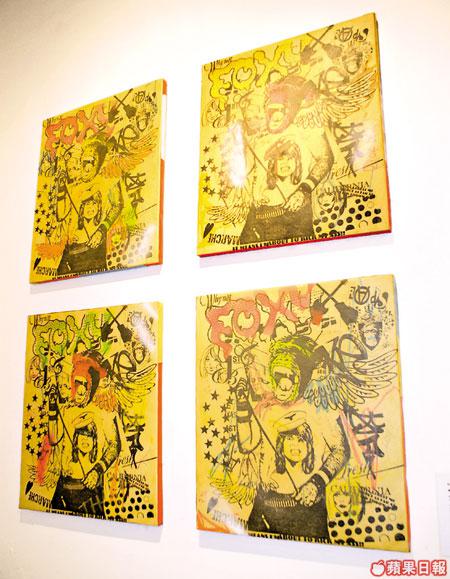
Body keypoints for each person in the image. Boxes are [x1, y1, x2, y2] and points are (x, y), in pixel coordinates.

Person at [47, 351, 121, 517]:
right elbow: (53, 439)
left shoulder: (103, 410)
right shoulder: (67, 409)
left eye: (84, 384)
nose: (80, 390)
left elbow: (115, 445)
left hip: (89, 488)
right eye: (77, 383)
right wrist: (52, 410)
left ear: (92, 386)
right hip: (63, 486)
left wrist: (97, 470)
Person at [56, 136, 123, 276]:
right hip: (69, 251)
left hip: (92, 250)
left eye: (90, 162)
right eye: (82, 162)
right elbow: (61, 214)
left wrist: (101, 230)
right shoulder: (75, 183)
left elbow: (117, 205)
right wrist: (61, 189)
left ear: (99, 162)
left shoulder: (107, 179)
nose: (84, 168)